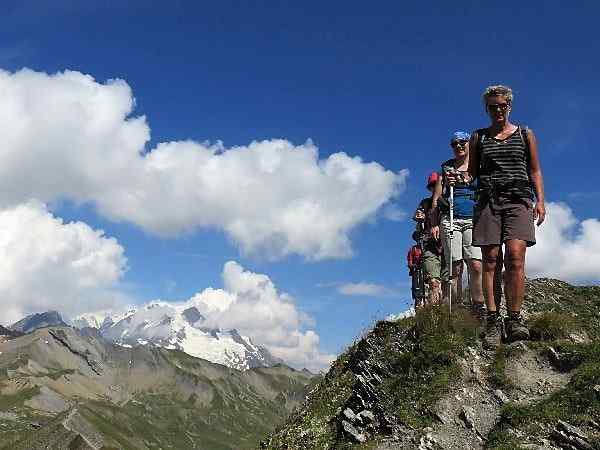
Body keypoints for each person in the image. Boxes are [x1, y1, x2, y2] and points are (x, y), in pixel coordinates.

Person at [465, 85, 546, 347]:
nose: (498, 110)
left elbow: (534, 170)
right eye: (492, 106)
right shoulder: (478, 137)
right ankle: (492, 319)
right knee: (490, 260)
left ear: (509, 106)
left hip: (519, 199)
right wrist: (462, 177)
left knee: (515, 256)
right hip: (488, 200)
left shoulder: (525, 134)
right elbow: (472, 172)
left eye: (502, 105)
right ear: (486, 109)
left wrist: (540, 201)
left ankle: (514, 318)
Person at [431, 131, 485, 319]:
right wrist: (436, 219)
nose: (459, 146)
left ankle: (478, 305)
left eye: (463, 142)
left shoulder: (478, 166)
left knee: (476, 264)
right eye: (455, 144)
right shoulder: (446, 169)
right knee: (455, 266)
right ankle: (456, 305)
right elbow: (437, 199)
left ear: (469, 144)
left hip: (473, 218)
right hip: (451, 219)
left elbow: (484, 187)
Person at [413, 173, 444, 305]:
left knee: (449, 282)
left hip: (447, 244)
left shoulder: (449, 201)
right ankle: (435, 316)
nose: (434, 187)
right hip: (429, 245)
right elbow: (418, 221)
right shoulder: (425, 203)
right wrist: (419, 218)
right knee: (433, 282)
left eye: (436, 184)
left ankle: (450, 316)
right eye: (432, 185)